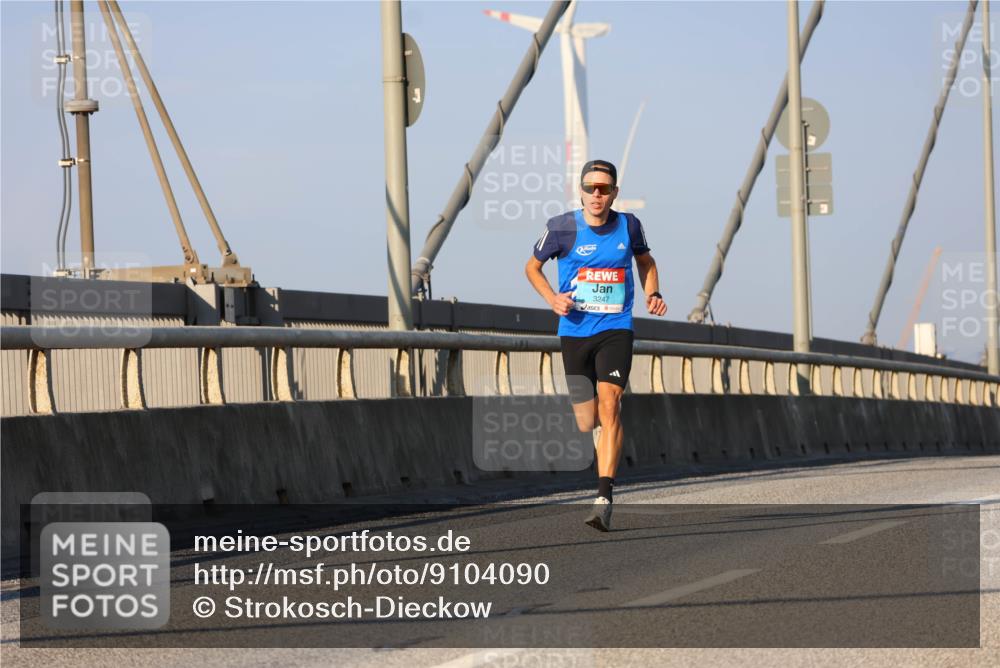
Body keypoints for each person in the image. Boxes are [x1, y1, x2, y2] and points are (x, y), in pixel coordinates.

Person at [525, 159, 667, 531]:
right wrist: (553, 299)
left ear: (615, 193)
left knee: (611, 403)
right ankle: (606, 445)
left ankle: (604, 495)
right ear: (581, 191)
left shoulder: (629, 225)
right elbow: (531, 268)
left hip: (615, 327)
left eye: (604, 188)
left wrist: (652, 292)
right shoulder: (562, 227)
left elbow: (647, 263)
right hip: (574, 331)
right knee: (587, 420)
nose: (597, 194)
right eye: (590, 187)